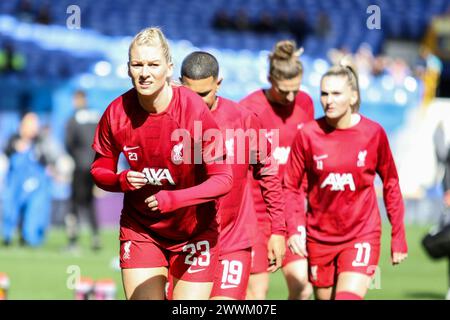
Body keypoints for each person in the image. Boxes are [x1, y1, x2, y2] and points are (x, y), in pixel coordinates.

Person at [90, 27, 232, 300]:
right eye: (137, 64)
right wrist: (120, 181)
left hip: (195, 232)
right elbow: (99, 170)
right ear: (128, 68)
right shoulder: (116, 112)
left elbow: (223, 178)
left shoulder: (193, 110)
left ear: (168, 68)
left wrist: (175, 199)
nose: (145, 73)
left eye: (153, 64)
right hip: (142, 229)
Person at [283, 57, 408, 300]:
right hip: (319, 237)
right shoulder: (308, 135)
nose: (329, 100)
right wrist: (295, 227)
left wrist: (398, 234)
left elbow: (391, 182)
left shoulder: (373, 134)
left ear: (353, 97)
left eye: (337, 94)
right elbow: (291, 186)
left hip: (362, 233)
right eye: (324, 94)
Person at [180, 51, 286, 300]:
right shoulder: (169, 121)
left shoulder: (244, 120)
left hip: (233, 239)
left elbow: (269, 175)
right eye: (191, 95)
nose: (197, 102)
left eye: (204, 94)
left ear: (219, 83)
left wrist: (278, 231)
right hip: (185, 242)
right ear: (179, 85)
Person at [239, 40, 314, 300]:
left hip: (292, 212)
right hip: (256, 215)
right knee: (256, 293)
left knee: (302, 286)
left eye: (296, 89)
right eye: (284, 91)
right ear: (270, 78)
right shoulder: (249, 109)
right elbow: (241, 171)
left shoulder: (306, 104)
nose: (291, 98)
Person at [2, 112, 54, 247]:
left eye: (35, 125)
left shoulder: (41, 141)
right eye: (30, 124)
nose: (33, 128)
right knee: (10, 210)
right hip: (16, 183)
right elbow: (6, 154)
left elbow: (49, 159)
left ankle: (30, 239)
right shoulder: (13, 139)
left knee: (34, 212)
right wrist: (16, 147)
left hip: (35, 184)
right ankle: (8, 237)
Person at [65, 90, 101, 251]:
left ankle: (73, 240)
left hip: (79, 166)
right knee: (90, 202)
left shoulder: (73, 119)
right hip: (94, 166)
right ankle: (95, 238)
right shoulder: (96, 116)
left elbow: (68, 143)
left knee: (74, 203)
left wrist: (76, 158)